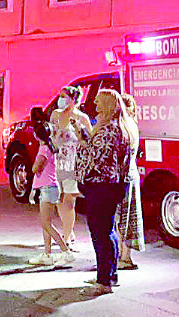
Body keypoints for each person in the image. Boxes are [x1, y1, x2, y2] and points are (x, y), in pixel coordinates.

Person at [75, 89, 138, 295]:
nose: (94, 104)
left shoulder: (108, 130)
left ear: (109, 105)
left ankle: (104, 280)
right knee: (108, 231)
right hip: (113, 187)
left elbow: (95, 159)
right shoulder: (124, 127)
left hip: (100, 187)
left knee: (99, 233)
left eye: (99, 101)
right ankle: (110, 274)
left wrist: (82, 141)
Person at [26, 107, 74, 267]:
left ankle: (65, 251)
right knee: (45, 221)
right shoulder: (49, 147)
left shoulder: (44, 150)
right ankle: (47, 254)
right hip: (48, 188)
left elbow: (35, 169)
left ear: (36, 135)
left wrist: (34, 166)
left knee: (46, 223)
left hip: (48, 189)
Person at [49, 85, 92, 250]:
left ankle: (66, 237)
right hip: (57, 162)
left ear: (73, 100)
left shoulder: (82, 118)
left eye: (63, 96)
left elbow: (89, 140)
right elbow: (50, 136)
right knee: (59, 199)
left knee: (69, 200)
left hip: (72, 164)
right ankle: (69, 229)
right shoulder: (55, 115)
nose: (60, 99)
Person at [117, 93, 145, 270]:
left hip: (124, 177)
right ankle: (123, 255)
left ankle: (125, 257)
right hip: (131, 176)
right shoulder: (133, 125)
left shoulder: (125, 127)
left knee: (123, 218)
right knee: (127, 217)